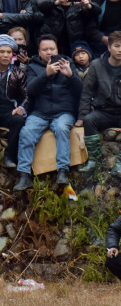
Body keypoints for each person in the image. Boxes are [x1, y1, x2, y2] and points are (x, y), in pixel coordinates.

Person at [76, 30, 121, 180]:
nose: (120, 50)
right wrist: (82, 116)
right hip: (104, 110)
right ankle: (94, 161)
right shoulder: (97, 65)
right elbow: (87, 92)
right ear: (109, 48)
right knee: (89, 120)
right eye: (117, 46)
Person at [12, 34, 81, 192]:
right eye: (45, 49)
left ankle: (63, 171)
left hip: (64, 110)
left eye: (52, 49)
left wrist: (70, 76)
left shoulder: (68, 63)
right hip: (40, 112)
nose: (49, 52)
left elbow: (80, 91)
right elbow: (30, 90)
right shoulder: (32, 66)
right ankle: (24, 174)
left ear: (58, 49)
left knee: (62, 128)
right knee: (27, 132)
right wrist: (46, 74)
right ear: (39, 52)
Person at [0, 34, 26, 170]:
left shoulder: (18, 73)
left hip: (8, 110)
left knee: (18, 120)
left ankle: (9, 156)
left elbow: (26, 95)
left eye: (8, 52)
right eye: (2, 52)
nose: (5, 55)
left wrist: (21, 107)